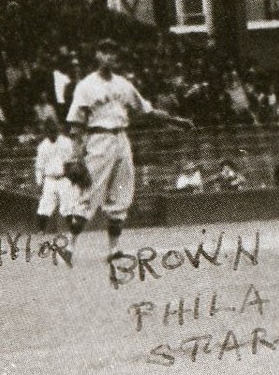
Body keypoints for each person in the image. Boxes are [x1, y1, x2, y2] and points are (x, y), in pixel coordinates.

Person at [64, 39, 194, 257]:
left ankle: (114, 249)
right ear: (97, 55)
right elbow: (77, 124)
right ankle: (69, 246)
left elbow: (147, 110)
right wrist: (75, 156)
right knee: (89, 194)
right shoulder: (86, 86)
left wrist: (175, 120)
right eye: (105, 52)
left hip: (121, 140)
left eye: (113, 53)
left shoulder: (123, 84)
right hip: (99, 139)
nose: (110, 57)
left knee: (121, 197)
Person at [33, 117, 79, 234]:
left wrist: (73, 178)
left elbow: (71, 161)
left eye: (54, 131)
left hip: (64, 178)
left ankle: (73, 230)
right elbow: (39, 167)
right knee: (45, 205)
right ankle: (41, 231)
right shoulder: (42, 147)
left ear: (57, 130)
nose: (53, 134)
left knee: (68, 205)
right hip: (50, 179)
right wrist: (39, 183)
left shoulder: (66, 142)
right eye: (50, 131)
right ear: (46, 132)